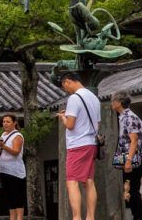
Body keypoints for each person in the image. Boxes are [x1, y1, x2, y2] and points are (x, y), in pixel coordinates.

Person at [57, 71, 100, 220]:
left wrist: (63, 117)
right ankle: (90, 217)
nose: (65, 90)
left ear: (68, 81)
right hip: (91, 143)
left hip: (77, 145)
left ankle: (76, 217)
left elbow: (70, 124)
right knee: (89, 181)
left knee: (72, 181)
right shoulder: (94, 97)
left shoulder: (74, 98)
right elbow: (98, 124)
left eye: (64, 86)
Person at [0, 114, 25, 220]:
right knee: (9, 198)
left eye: (8, 121)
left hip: (15, 172)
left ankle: (19, 218)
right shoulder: (3, 134)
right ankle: (12, 218)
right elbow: (0, 151)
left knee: (17, 197)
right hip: (4, 170)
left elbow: (15, 152)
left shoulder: (17, 136)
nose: (5, 124)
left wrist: (2, 145)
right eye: (4, 121)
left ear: (14, 123)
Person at [112, 92, 142, 219]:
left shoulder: (129, 117)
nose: (112, 103)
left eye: (113, 101)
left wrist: (129, 160)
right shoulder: (123, 117)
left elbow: (134, 140)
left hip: (132, 159)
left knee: (131, 190)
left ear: (119, 102)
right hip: (129, 158)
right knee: (129, 190)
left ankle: (138, 216)